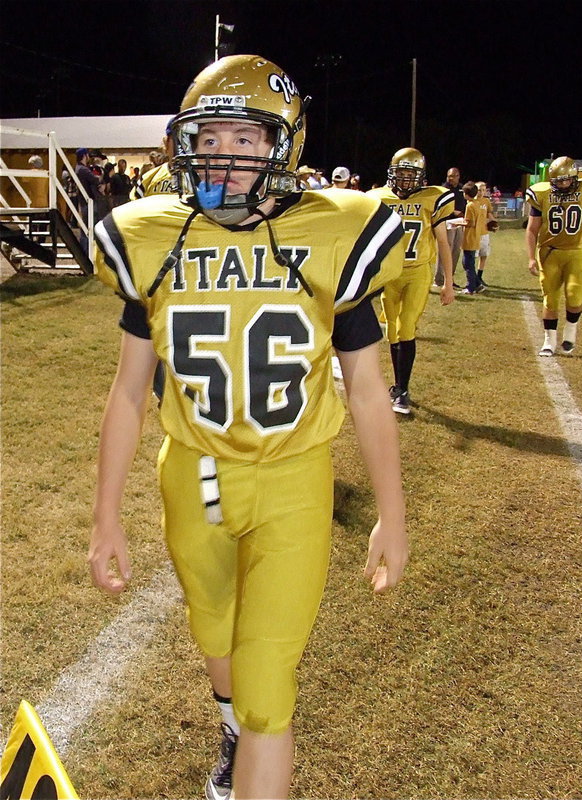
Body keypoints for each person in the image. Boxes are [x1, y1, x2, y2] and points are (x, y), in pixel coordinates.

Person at [88, 54, 408, 800]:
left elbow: (368, 391)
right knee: (214, 631)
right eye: (209, 138)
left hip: (292, 479)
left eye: (244, 139)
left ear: (281, 147)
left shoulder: (332, 233)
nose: (223, 156)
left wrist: (391, 515)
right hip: (192, 475)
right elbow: (128, 391)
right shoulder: (155, 237)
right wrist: (105, 516)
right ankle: (230, 726)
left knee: (267, 688)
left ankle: (249, 731)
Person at [366, 147, 455, 415]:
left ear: (421, 175)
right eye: (402, 172)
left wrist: (448, 282)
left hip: (417, 271)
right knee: (392, 330)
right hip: (389, 274)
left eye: (411, 173)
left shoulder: (433, 198)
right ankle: (397, 385)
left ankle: (403, 392)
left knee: (406, 327)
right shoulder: (377, 198)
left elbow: (443, 242)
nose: (405, 178)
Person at [525, 156, 582, 356]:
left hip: (578, 251)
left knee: (575, 296)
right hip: (549, 252)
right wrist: (531, 257)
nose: (563, 184)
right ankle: (549, 341)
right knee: (550, 299)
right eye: (558, 181)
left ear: (575, 177)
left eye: (566, 180)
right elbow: (532, 229)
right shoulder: (542, 194)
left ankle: (571, 330)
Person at [434, 166, 465, 287]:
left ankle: (449, 279)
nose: (451, 178)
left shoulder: (462, 188)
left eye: (453, 176)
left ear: (458, 176)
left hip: (459, 223)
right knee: (445, 250)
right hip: (447, 223)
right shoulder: (443, 189)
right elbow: (439, 205)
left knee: (456, 251)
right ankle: (439, 279)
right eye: (449, 176)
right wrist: (453, 211)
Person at [459, 181, 485, 294]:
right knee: (469, 263)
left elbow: (470, 222)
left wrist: (457, 223)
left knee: (468, 263)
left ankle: (471, 287)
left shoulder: (469, 205)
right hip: (475, 236)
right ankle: (478, 284)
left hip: (469, 237)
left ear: (466, 194)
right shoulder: (477, 203)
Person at [74, 147, 101, 252]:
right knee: (89, 229)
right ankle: (87, 252)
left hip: (83, 202)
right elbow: (95, 180)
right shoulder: (83, 170)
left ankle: (84, 252)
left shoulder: (78, 168)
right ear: (85, 156)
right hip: (88, 203)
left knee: (84, 229)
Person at [474, 181, 497, 286]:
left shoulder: (486, 201)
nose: (481, 192)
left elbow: (489, 213)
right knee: (473, 257)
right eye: (479, 190)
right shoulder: (471, 201)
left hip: (484, 232)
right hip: (474, 233)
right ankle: (472, 278)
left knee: (484, 255)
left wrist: (494, 223)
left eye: (483, 190)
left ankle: (479, 277)